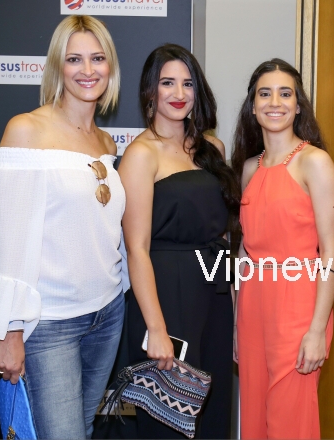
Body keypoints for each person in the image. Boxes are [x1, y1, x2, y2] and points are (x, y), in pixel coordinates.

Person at [0, 15, 125, 439]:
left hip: (107, 313)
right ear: (57, 66)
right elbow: (7, 241)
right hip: (50, 323)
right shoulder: (26, 130)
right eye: (74, 59)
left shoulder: (106, 142)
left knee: (82, 429)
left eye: (97, 58)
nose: (88, 70)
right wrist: (11, 331)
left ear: (110, 66)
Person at [119, 44, 239, 439]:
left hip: (214, 295)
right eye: (167, 82)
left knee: (213, 414)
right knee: (170, 419)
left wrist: (233, 310)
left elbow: (221, 236)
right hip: (166, 294)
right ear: (150, 90)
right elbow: (136, 248)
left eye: (188, 83)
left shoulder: (212, 149)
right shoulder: (141, 154)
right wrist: (156, 328)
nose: (179, 93)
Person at [231, 58, 334, 439]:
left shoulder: (315, 163)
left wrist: (317, 330)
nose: (274, 102)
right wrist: (236, 321)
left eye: (285, 93)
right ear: (253, 105)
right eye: (265, 94)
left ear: (298, 105)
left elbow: (332, 254)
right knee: (254, 419)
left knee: (289, 422)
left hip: (299, 306)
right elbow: (244, 252)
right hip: (252, 308)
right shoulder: (249, 168)